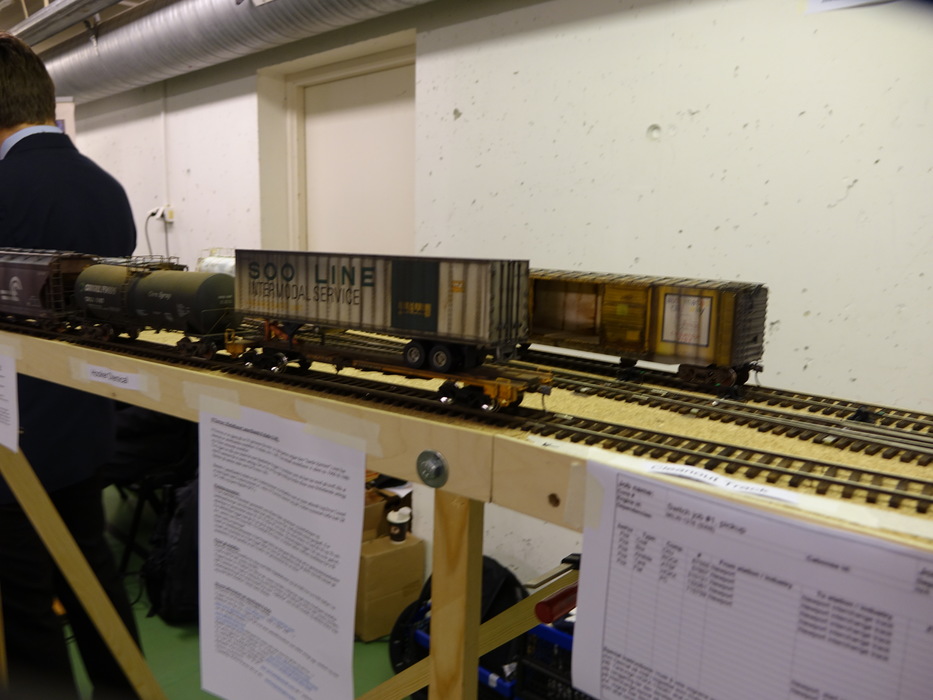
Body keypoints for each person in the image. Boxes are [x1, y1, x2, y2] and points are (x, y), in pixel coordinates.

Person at [0, 32, 140, 699]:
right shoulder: (107, 189)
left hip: (11, 443)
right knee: (91, 577)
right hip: (85, 428)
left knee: (25, 606)